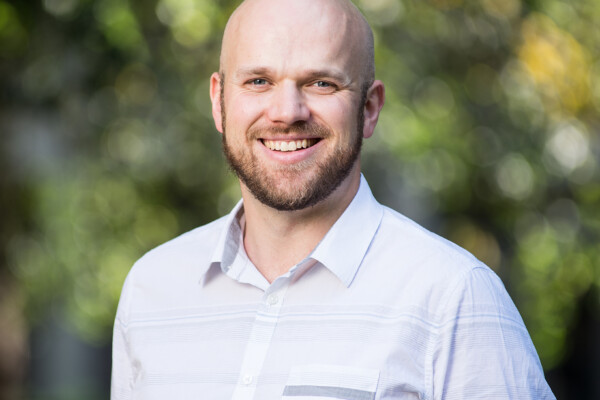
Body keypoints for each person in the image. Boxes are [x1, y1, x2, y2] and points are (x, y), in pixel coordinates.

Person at [111, 0, 555, 398]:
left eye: (321, 83)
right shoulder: (151, 290)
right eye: (259, 80)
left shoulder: (453, 296)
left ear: (369, 108)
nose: (287, 112)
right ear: (219, 102)